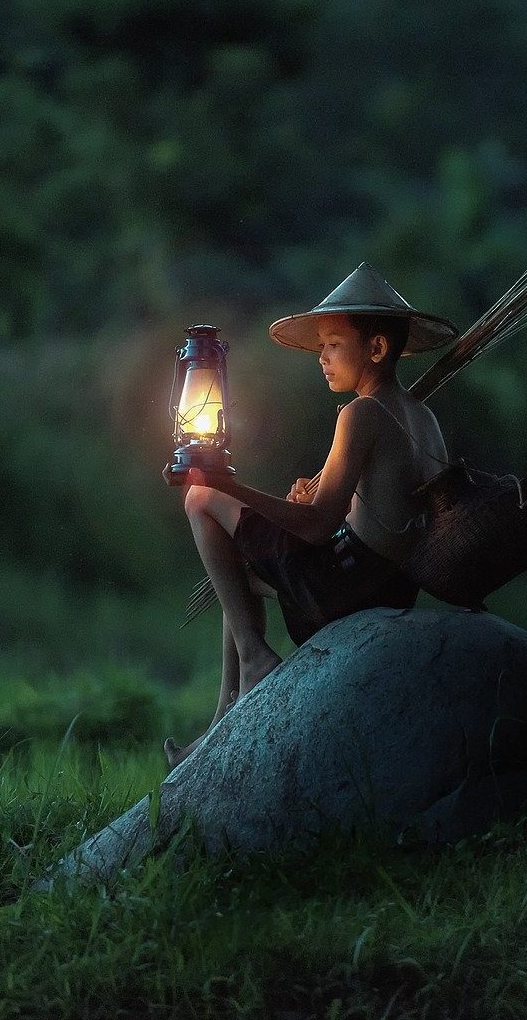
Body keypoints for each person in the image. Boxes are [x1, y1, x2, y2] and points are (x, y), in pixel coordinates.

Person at [166, 263, 456, 767]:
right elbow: (374, 512)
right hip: (390, 583)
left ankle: (256, 661)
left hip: (347, 585)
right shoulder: (423, 417)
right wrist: (299, 502)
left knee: (198, 499)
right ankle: (223, 718)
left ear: (378, 349)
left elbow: (319, 525)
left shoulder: (360, 414)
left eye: (333, 345)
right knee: (235, 574)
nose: (321, 358)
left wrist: (229, 487)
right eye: (320, 346)